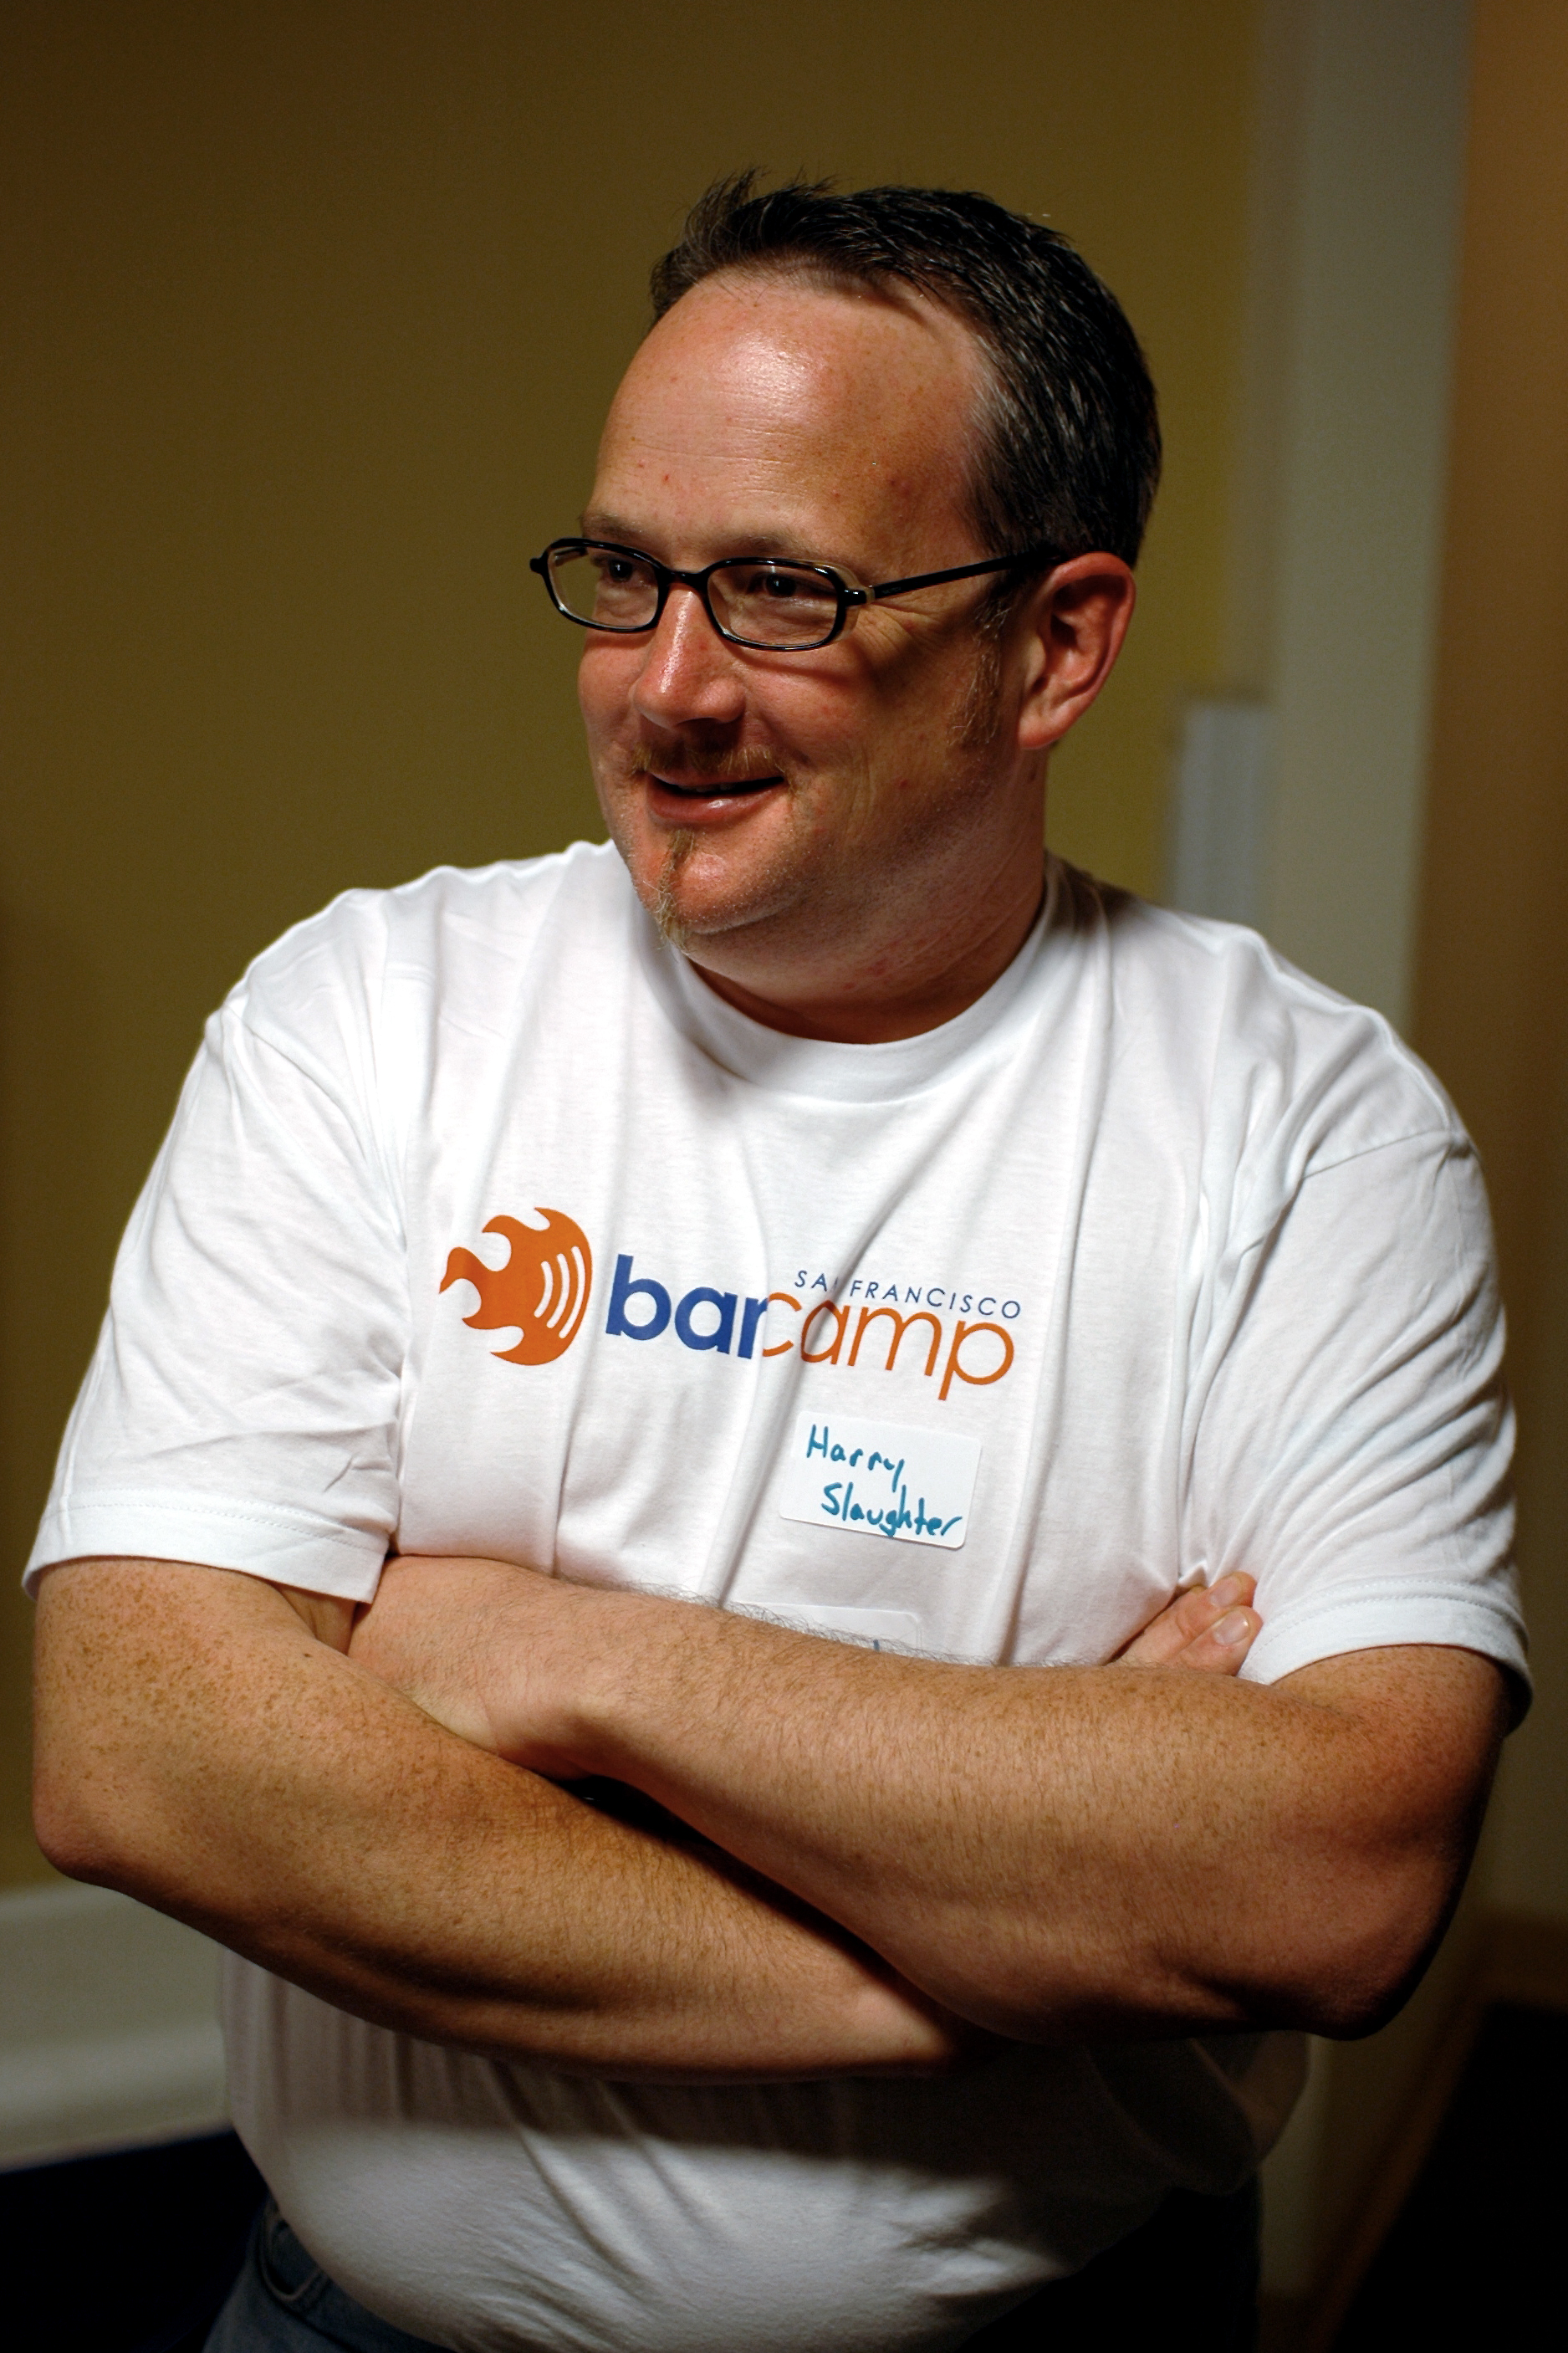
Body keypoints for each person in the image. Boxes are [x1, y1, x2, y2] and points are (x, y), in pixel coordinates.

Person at [30, 179, 1523, 2353]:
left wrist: (549, 1655)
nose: (664, 687)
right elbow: (141, 1751)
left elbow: (1333, 1879)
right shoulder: (367, 1017)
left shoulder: (1306, 1132)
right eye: (621, 575)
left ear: (1056, 641)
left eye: (785, 595)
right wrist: (999, 1957)